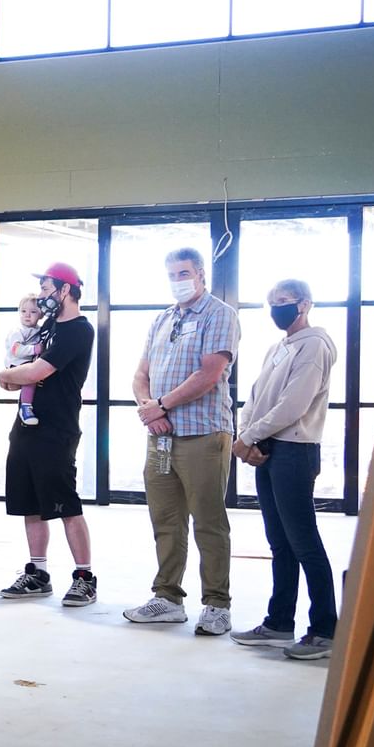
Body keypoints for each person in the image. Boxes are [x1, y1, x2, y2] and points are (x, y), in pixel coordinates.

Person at [124, 247, 240, 636]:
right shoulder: (162, 319)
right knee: (166, 520)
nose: (178, 281)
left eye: (185, 273)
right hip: (160, 438)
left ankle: (217, 604)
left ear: (201, 274)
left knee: (208, 521)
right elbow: (140, 374)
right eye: (172, 275)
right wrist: (150, 408)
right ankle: (168, 598)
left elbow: (209, 374)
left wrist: (161, 405)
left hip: (203, 433)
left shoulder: (219, 314)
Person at [231, 279, 339, 661]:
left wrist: (250, 437)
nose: (277, 308)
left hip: (294, 450)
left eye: (285, 301)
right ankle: (279, 622)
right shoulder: (279, 347)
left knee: (304, 541)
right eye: (272, 302)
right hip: (269, 448)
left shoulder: (314, 345)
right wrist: (246, 435)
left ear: (304, 304)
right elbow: (256, 397)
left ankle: (325, 630)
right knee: (280, 542)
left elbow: (294, 405)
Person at [0, 263, 98, 607]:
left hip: (57, 428)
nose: (41, 296)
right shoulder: (48, 327)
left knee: (65, 503)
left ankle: (84, 577)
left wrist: (8, 375)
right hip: (26, 427)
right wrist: (16, 375)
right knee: (29, 503)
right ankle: (37, 573)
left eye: (45, 288)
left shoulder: (78, 330)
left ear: (65, 290)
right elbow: (23, 371)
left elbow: (38, 371)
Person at [4, 295, 47, 426]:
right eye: (23, 311)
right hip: (16, 363)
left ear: (41, 315)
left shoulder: (39, 329)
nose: (27, 315)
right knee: (30, 377)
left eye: (33, 312)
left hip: (28, 362)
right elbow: (16, 350)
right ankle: (26, 407)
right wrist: (34, 349)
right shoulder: (18, 331)